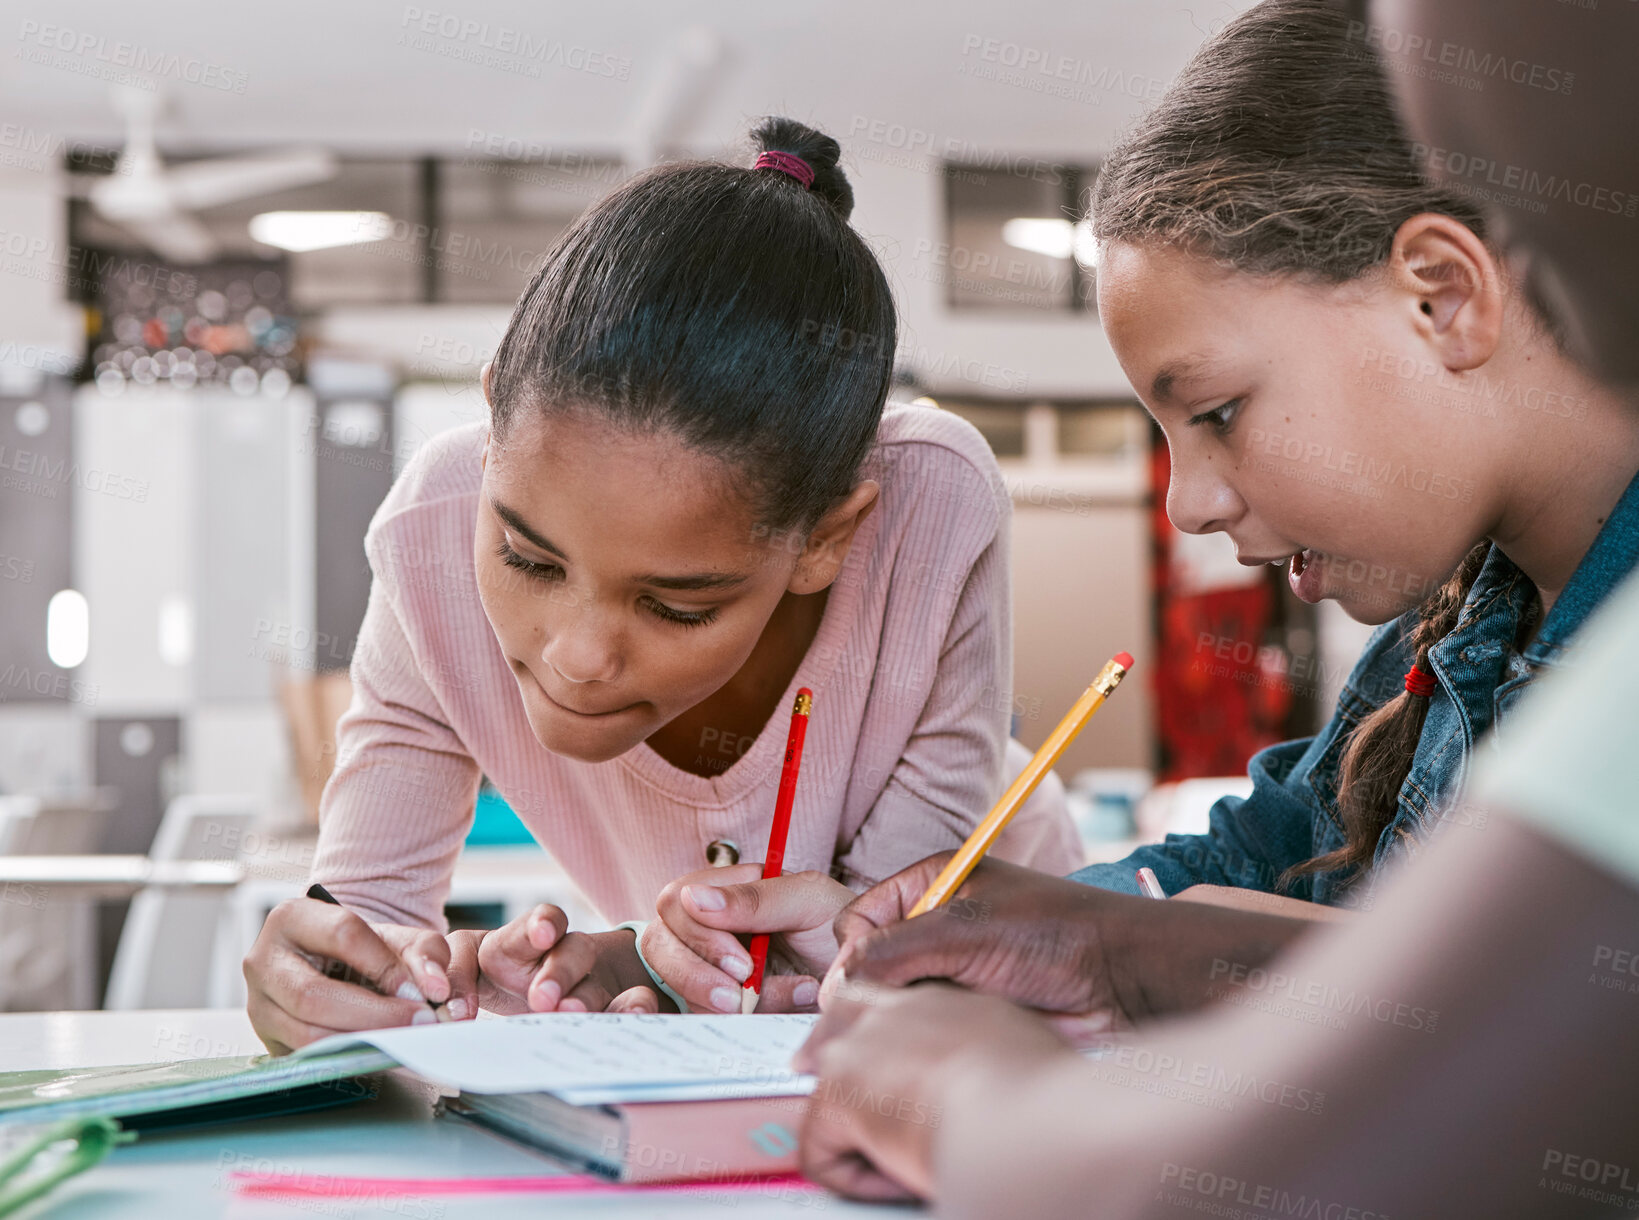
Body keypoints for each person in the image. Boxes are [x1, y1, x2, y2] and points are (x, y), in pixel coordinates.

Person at [795, 0, 1639, 1210]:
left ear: (1444, 296)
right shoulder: (1445, 639)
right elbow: (1263, 860)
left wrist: (962, 1091)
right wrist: (1062, 927)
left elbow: (1336, 1151)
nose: (1187, 505)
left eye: (1218, 411)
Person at [243, 117, 1079, 1054]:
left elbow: (867, 939)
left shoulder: (932, 503)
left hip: (1014, 978)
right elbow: (365, 912)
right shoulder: (432, 529)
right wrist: (332, 975)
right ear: (489, 429)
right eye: (528, 559)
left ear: (824, 540)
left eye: (678, 606)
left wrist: (642, 963)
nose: (579, 657)